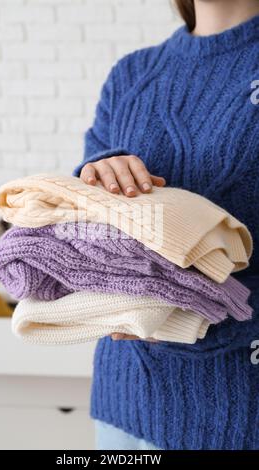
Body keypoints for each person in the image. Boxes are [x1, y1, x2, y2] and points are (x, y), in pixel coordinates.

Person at [73, 0, 259, 450]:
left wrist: (207, 314)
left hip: (238, 414)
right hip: (124, 401)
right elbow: (76, 216)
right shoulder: (132, 74)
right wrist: (97, 173)